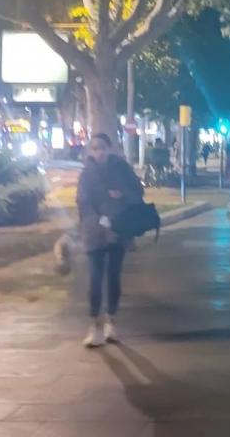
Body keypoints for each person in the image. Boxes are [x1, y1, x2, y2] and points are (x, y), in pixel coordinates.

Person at [76, 132, 145, 347]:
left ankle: (111, 322)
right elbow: (83, 202)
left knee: (113, 276)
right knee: (95, 278)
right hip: (94, 232)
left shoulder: (122, 168)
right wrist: (98, 221)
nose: (99, 152)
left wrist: (121, 194)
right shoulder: (87, 173)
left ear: (110, 149)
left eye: (102, 147)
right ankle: (94, 326)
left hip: (117, 230)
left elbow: (138, 192)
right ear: (90, 151)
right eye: (94, 148)